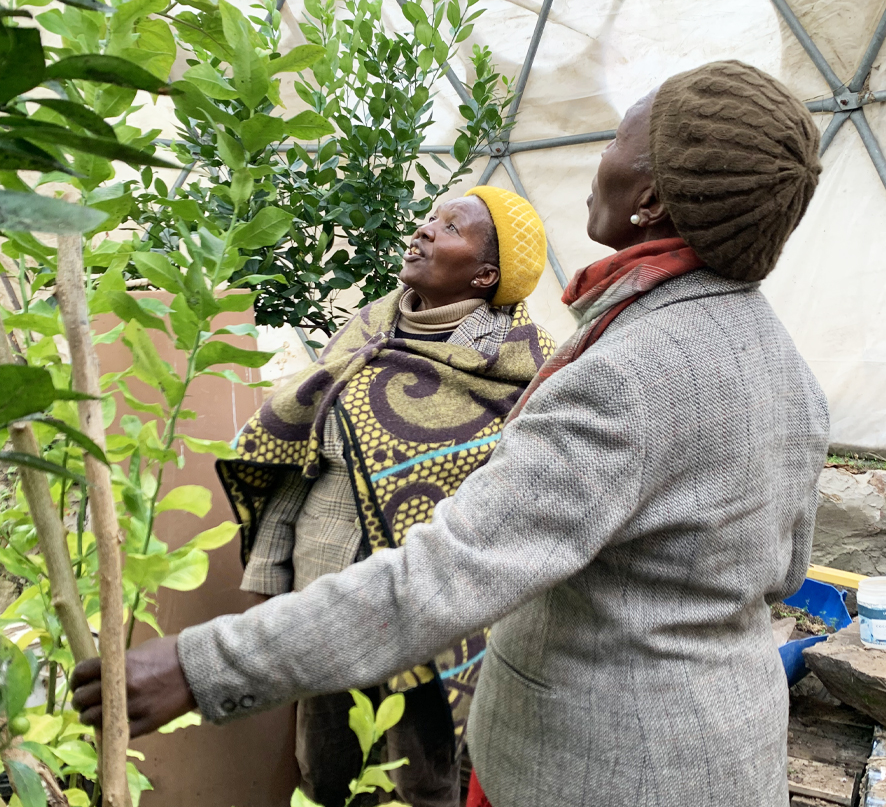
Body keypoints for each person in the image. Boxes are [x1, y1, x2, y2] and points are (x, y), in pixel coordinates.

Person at [73, 61, 829, 807]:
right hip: (731, 742)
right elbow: (782, 568)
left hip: (604, 766)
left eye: (616, 141)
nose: (598, 161)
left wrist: (200, 665)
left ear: (653, 199)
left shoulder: (625, 376)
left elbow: (448, 573)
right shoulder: (785, 367)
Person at [209, 186, 553, 807]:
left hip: (433, 613)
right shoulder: (369, 326)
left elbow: (524, 509)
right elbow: (298, 457)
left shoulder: (526, 369)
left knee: (423, 776)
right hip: (327, 594)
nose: (423, 230)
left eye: (449, 226)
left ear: (485, 274)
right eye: (429, 216)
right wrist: (268, 571)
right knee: (326, 769)